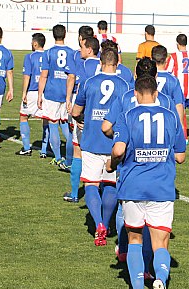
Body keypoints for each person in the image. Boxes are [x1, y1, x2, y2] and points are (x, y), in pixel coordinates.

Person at [106, 75, 186, 289]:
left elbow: (119, 149)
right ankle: (160, 281)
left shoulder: (129, 115)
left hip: (133, 188)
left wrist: (111, 164)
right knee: (160, 242)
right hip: (161, 188)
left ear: (138, 93)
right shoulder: (171, 115)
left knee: (134, 240)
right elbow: (181, 156)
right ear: (155, 92)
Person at [71, 48, 130, 246]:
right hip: (114, 142)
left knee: (91, 184)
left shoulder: (90, 82)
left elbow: (76, 110)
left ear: (101, 62)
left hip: (91, 140)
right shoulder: (125, 85)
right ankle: (106, 222)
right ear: (117, 63)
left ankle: (99, 224)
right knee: (110, 184)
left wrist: (79, 119)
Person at [63, 33, 101, 204]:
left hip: (85, 114)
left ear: (89, 49)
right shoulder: (103, 65)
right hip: (102, 116)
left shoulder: (84, 66)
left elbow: (81, 87)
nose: (80, 50)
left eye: (83, 47)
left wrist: (73, 107)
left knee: (78, 152)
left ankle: (74, 193)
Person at [38, 24, 75, 169]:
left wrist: (40, 95)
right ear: (65, 34)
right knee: (65, 125)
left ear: (53, 35)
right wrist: (69, 97)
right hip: (66, 92)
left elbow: (44, 75)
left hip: (51, 92)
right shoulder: (72, 52)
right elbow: (72, 75)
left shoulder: (48, 53)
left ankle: (58, 158)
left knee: (53, 124)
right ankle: (72, 156)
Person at [17, 33, 49, 157]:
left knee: (24, 116)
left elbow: (27, 76)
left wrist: (24, 93)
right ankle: (44, 151)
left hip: (33, 92)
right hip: (46, 93)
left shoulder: (29, 57)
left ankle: (26, 148)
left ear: (35, 43)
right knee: (46, 120)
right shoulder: (49, 56)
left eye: (32, 42)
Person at [166, 33, 189, 138]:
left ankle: (182, 136)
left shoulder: (173, 56)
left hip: (177, 89)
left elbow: (167, 72)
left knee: (178, 112)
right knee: (182, 111)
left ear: (177, 44)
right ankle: (181, 134)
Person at [151, 45, 186, 138]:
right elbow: (178, 104)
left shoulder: (146, 78)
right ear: (166, 59)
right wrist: (181, 126)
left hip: (147, 120)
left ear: (151, 59)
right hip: (166, 122)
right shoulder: (173, 80)